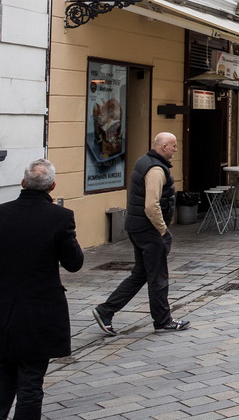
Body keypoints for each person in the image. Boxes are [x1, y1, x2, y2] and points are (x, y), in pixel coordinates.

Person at [0, 159, 84, 420]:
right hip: (39, 313)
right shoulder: (60, 217)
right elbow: (74, 263)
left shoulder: (2, 213)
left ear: (23, 183)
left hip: (4, 310)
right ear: (53, 186)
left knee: (4, 379)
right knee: (31, 383)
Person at [93, 132, 190, 336]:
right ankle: (163, 321)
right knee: (158, 276)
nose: (175, 149)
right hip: (148, 228)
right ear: (163, 147)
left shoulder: (144, 161)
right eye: (173, 146)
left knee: (141, 274)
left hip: (137, 226)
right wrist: (163, 230)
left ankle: (106, 310)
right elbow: (151, 205)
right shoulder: (156, 169)